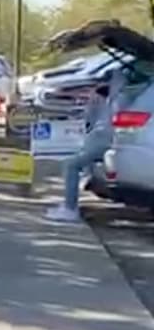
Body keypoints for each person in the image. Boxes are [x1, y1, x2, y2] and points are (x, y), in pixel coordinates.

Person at [46, 67, 123, 222]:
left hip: (107, 140)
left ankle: (70, 208)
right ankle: (78, 192)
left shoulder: (109, 99)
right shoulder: (122, 97)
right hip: (112, 140)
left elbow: (91, 122)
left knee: (71, 165)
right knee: (77, 160)